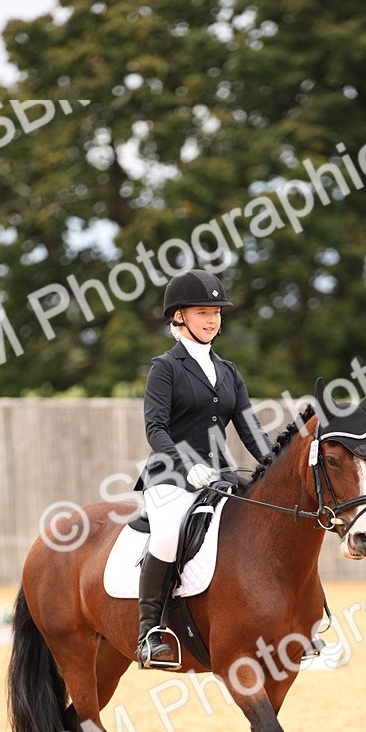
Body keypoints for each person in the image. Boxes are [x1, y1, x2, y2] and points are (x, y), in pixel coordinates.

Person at [135, 268, 274, 668]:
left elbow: (251, 429)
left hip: (221, 478)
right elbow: (155, 428)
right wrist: (186, 463)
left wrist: (273, 466)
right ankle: (151, 633)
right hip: (171, 477)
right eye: (202, 312)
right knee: (166, 537)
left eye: (216, 311)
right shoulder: (166, 367)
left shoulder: (229, 371)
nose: (212, 319)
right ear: (178, 317)